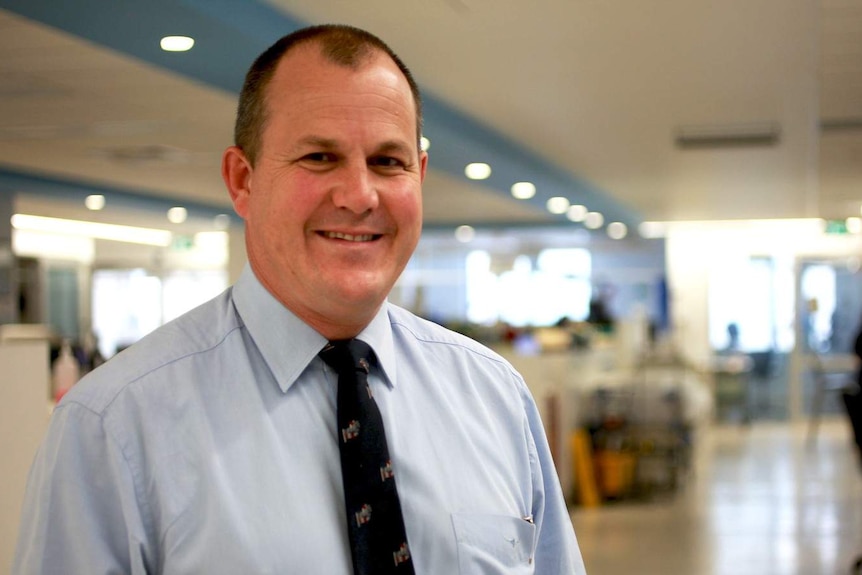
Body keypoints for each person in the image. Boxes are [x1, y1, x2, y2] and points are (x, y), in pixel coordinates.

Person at [13, 24, 586, 574]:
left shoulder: (494, 397)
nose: (360, 196)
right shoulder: (114, 428)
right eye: (319, 157)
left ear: (420, 176)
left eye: (388, 161)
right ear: (243, 180)